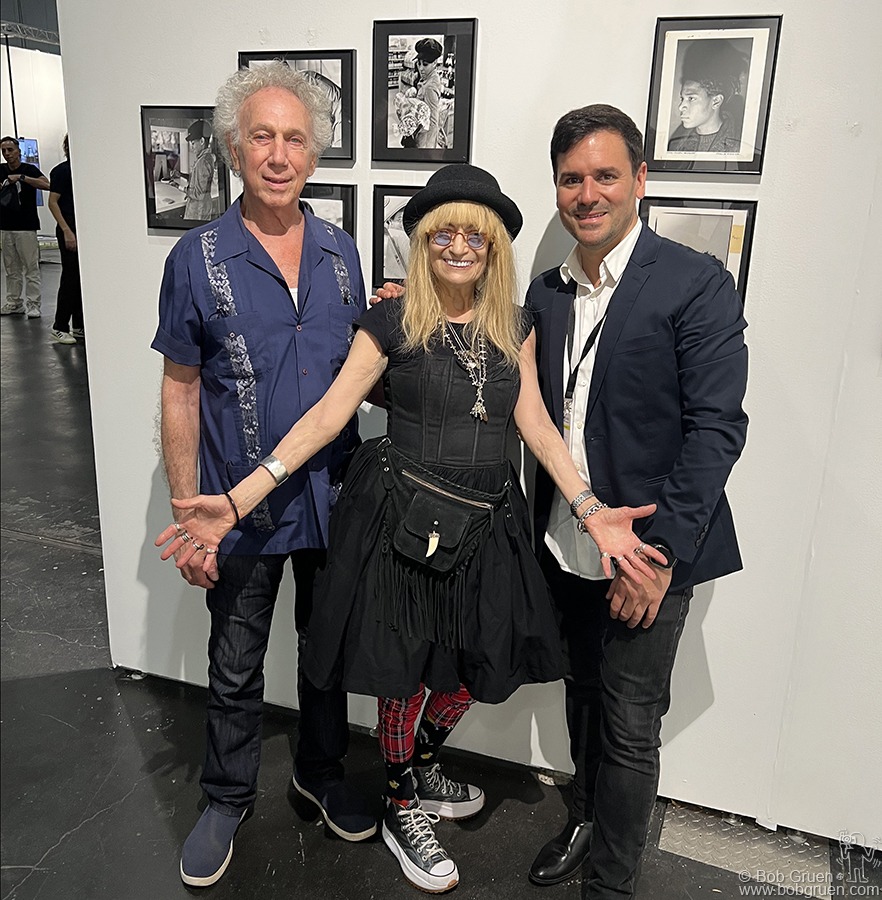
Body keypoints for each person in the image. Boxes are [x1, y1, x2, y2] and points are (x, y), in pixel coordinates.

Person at [156, 163, 665, 894]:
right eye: (443, 234)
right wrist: (236, 499)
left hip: (489, 526)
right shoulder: (391, 321)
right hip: (404, 525)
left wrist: (589, 509)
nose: (459, 247)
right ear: (424, 244)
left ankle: (421, 763)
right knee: (403, 671)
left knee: (467, 669)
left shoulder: (514, 324)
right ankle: (400, 800)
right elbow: (327, 417)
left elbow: (537, 427)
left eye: (474, 236)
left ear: (493, 247)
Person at [150, 62, 376, 888]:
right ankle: (226, 795)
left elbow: (361, 370)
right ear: (235, 149)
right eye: (262, 137)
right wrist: (186, 508)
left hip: (334, 495)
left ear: (314, 154)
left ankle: (319, 770)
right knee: (237, 658)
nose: (278, 154)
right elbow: (179, 390)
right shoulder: (195, 258)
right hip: (235, 507)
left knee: (327, 650)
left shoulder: (342, 254)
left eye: (295, 138)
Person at [526, 105, 748, 898]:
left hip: (650, 553)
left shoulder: (695, 282)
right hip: (565, 541)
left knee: (628, 724)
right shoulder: (547, 293)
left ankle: (612, 884)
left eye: (605, 175)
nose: (588, 193)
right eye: (572, 178)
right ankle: (584, 816)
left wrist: (656, 561)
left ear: (641, 180)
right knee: (580, 694)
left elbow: (717, 431)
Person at [0, 136, 50, 318]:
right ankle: (14, 302)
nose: (7, 154)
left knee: (30, 268)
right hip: (6, 227)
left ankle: (33, 304)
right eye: (4, 150)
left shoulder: (29, 169)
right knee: (11, 269)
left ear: (18, 151)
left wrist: (22, 178)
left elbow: (47, 184)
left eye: (10, 150)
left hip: (26, 227)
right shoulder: (0, 170)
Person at [47, 134, 84, 344]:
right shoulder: (62, 171)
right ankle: (60, 326)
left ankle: (78, 325)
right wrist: (67, 230)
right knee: (70, 278)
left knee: (81, 278)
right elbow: (53, 202)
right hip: (68, 225)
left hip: (81, 226)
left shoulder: (83, 169)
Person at [183, 119, 216, 221]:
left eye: (193, 143)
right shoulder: (205, 158)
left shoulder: (203, 162)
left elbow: (199, 194)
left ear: (202, 141)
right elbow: (196, 180)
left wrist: (179, 187)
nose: (191, 147)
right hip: (200, 208)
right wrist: (180, 174)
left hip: (198, 212)